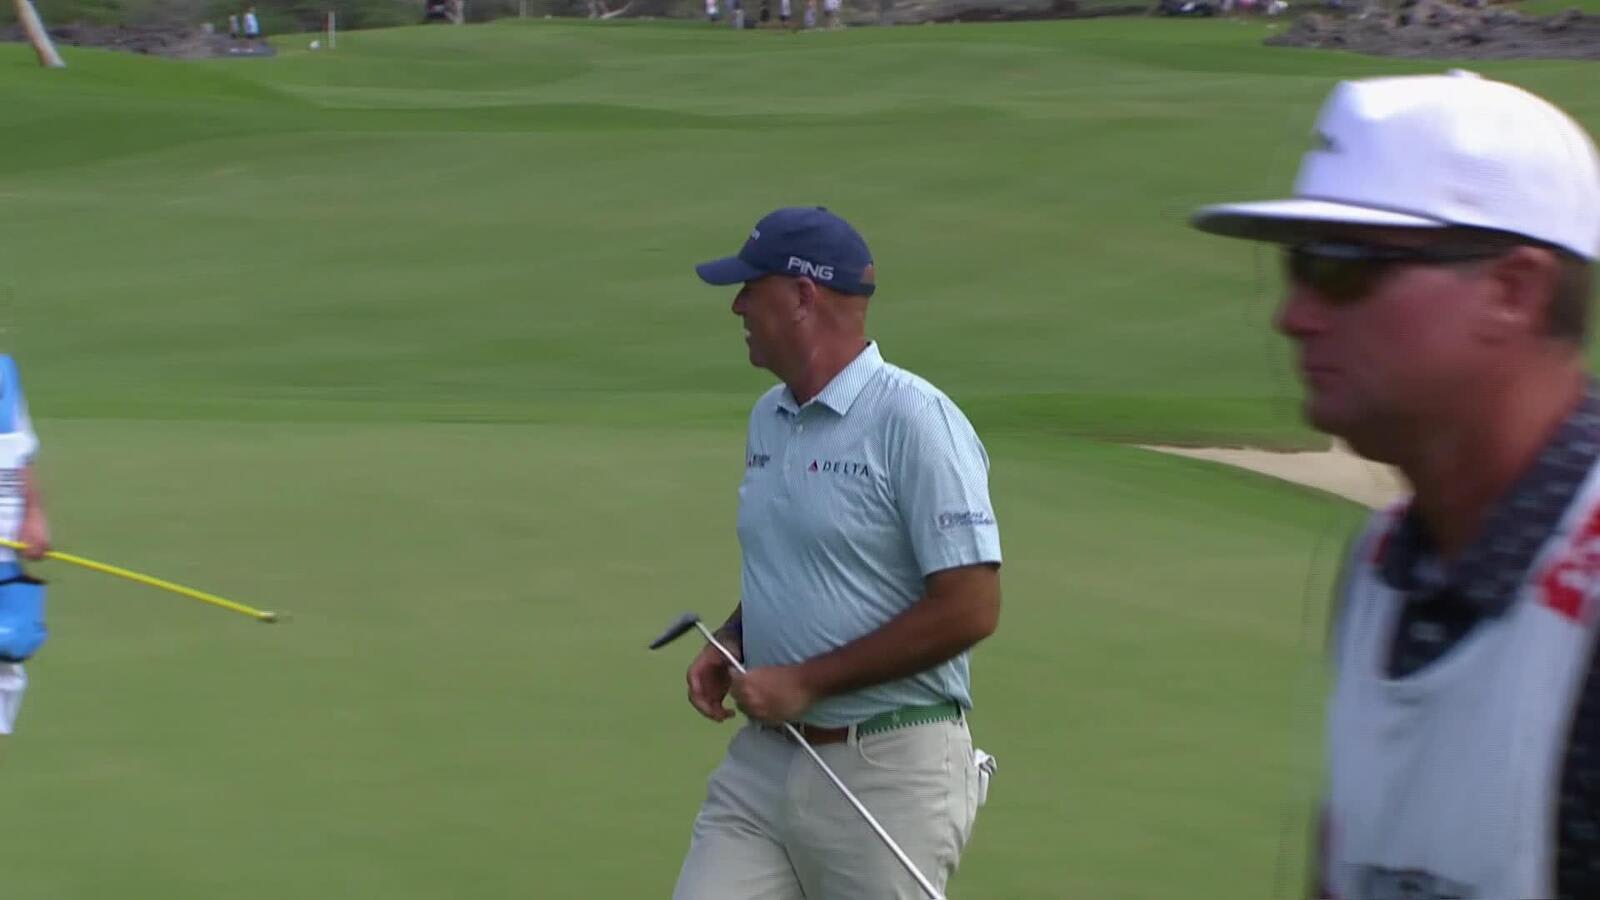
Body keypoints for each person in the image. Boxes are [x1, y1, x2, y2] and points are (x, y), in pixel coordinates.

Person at [1189, 70, 1600, 900]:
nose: (1294, 315)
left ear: (1513, 291)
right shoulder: (1383, 566)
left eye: (1342, 267)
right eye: (1297, 265)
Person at [673, 206, 1003, 900]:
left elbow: (970, 608)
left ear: (801, 295)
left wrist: (808, 680)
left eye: (750, 287)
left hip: (889, 767)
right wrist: (737, 636)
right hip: (767, 762)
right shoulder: (771, 415)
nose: (736, 304)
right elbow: (804, 557)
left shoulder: (916, 422)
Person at [0, 354, 53, 738]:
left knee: (9, 653)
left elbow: (21, 449)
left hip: (5, 542)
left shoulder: (3, 371)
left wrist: (33, 513)